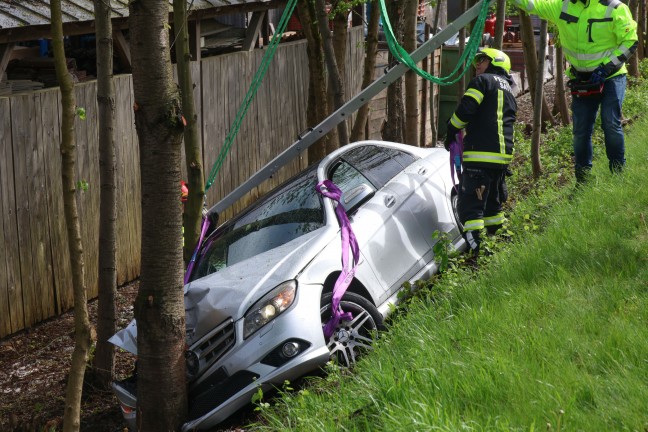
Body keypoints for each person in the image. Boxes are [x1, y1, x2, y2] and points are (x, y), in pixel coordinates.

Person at [511, 0, 638, 183]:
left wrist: (606, 68)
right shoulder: (563, 6)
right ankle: (583, 179)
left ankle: (618, 173)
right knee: (580, 130)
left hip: (611, 77)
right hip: (582, 80)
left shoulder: (615, 8)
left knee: (610, 123)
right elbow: (532, 4)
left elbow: (630, 41)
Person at [445, 48, 517, 256]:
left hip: (479, 157)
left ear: (496, 63)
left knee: (470, 208)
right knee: (492, 209)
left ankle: (480, 254)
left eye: (482, 60)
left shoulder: (482, 82)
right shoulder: (508, 90)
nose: (477, 65)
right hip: (501, 161)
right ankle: (503, 247)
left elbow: (464, 112)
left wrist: (450, 130)